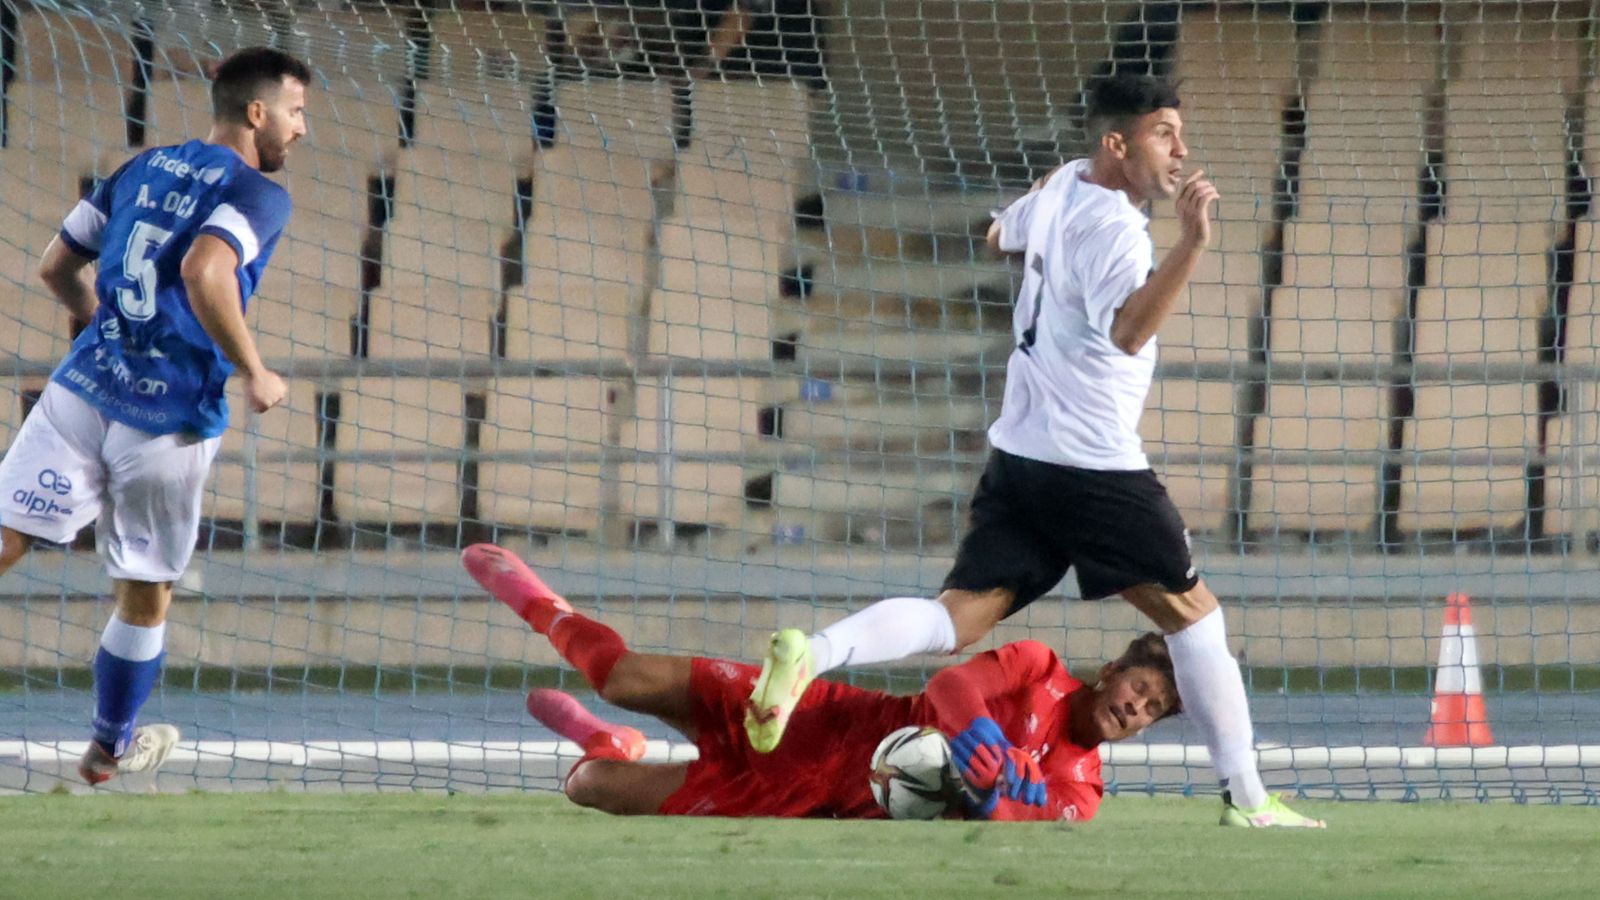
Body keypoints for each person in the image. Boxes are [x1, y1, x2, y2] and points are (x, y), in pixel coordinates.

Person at [741, 72, 1325, 829]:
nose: (1181, 150)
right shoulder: (1119, 227)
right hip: (1091, 462)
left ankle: (812, 653)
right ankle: (1249, 802)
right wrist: (1192, 244)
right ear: (1118, 144)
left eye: (1181, 133)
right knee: (1196, 621)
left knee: (958, 620)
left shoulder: (1062, 186)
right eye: (1163, 134)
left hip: (1021, 451)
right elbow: (1128, 332)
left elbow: (996, 236)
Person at [0, 47, 310, 785]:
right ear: (258, 113)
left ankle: (111, 747)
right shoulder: (257, 192)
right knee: (144, 589)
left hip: (81, 389)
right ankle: (109, 748)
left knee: (6, 538)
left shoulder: (141, 166)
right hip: (166, 414)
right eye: (297, 113)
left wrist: (89, 317)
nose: (302, 131)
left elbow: (55, 266)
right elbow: (207, 269)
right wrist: (255, 369)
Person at [463, 542, 1178, 821]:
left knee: (589, 787)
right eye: (1138, 688)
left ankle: (607, 742)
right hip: (816, 713)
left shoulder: (1080, 789)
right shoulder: (1038, 667)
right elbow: (951, 688)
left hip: (799, 796)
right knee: (622, 675)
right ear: (1111, 671)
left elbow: (1024, 818)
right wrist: (979, 734)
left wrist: (997, 792)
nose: (1135, 708)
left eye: (1150, 710)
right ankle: (544, 607)